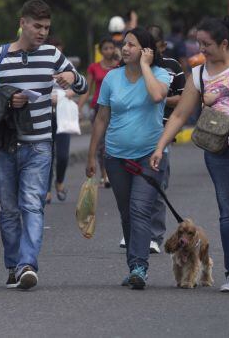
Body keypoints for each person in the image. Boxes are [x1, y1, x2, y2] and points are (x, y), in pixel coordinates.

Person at [150, 16, 229, 294]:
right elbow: (180, 114)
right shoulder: (199, 73)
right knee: (228, 213)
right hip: (219, 151)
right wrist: (160, 146)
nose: (201, 49)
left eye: (206, 44)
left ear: (224, 43)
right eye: (199, 43)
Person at [0, 0, 87, 290]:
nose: (42, 32)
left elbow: (82, 85)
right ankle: (12, 265)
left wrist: (72, 76)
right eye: (37, 26)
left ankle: (27, 265)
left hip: (38, 144)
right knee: (9, 209)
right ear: (22, 22)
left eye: (46, 27)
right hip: (4, 145)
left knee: (32, 205)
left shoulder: (52, 55)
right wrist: (8, 98)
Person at [86, 27, 170, 289]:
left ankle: (139, 267)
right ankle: (133, 264)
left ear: (146, 51)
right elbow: (102, 117)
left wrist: (145, 66)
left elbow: (157, 96)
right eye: (124, 44)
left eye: (132, 45)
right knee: (126, 213)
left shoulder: (159, 74)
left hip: (150, 155)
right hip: (116, 157)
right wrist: (91, 155)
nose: (125, 49)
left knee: (139, 209)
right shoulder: (112, 78)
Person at [146, 25, 186, 254]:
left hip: (162, 132)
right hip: (135, 134)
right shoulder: (131, 67)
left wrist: (162, 98)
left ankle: (154, 235)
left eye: (152, 46)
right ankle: (134, 230)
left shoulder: (171, 67)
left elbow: (183, 97)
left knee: (157, 185)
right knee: (135, 186)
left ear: (161, 46)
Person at [78, 37, 118, 188]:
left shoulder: (119, 66)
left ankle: (114, 172)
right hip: (98, 107)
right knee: (101, 142)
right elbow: (86, 89)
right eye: (105, 48)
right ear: (101, 51)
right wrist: (79, 107)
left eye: (111, 48)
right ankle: (105, 174)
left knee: (113, 140)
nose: (108, 51)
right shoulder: (94, 67)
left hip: (116, 107)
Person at [45, 36, 76, 204]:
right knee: (47, 153)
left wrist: (61, 96)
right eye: (52, 47)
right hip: (45, 113)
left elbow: (77, 89)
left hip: (63, 112)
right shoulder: (40, 64)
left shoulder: (67, 65)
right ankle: (46, 190)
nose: (56, 50)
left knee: (63, 155)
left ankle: (60, 181)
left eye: (58, 47)